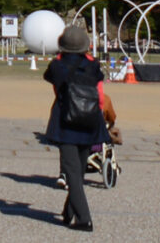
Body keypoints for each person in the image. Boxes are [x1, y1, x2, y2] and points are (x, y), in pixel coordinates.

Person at [44, 25, 110, 232]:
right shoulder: (93, 65)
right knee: (78, 171)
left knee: (72, 171)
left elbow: (52, 82)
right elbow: (100, 93)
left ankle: (84, 218)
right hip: (90, 119)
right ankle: (69, 212)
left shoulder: (58, 65)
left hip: (67, 120)